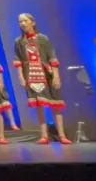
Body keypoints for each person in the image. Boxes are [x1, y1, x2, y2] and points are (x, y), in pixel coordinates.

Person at [13, 13, 71, 145]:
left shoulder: (43, 38)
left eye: (25, 21)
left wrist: (56, 75)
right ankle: (44, 135)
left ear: (32, 22)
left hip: (46, 74)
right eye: (20, 21)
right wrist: (21, 76)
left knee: (55, 104)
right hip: (31, 74)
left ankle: (61, 135)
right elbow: (18, 60)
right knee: (38, 105)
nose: (22, 24)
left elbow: (52, 56)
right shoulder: (19, 42)